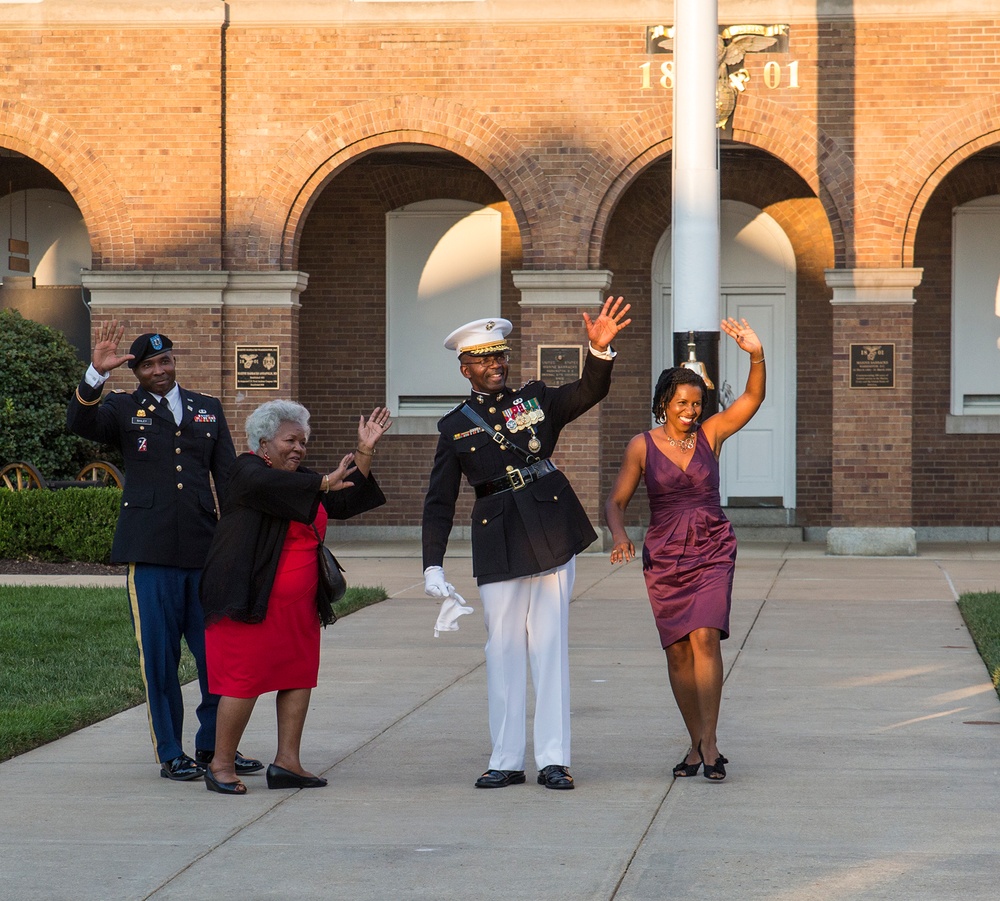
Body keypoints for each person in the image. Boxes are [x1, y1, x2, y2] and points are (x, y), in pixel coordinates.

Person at [422, 297, 632, 790]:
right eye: (484, 358)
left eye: (501, 355)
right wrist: (433, 566)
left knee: (550, 647)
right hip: (498, 537)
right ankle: (506, 759)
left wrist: (599, 351)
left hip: (551, 530)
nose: (496, 364)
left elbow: (586, 392)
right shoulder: (454, 427)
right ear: (464, 368)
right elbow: (439, 501)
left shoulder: (533, 401)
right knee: (504, 649)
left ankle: (554, 759)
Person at [66, 320, 261, 782]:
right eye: (150, 364)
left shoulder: (207, 409)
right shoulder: (120, 409)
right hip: (150, 553)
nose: (160, 369)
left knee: (217, 657)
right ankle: (171, 752)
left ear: (174, 361)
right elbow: (79, 423)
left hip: (203, 551)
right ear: (137, 371)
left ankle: (217, 749)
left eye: (165, 360)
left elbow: (230, 480)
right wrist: (94, 373)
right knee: (160, 661)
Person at [197, 399, 390, 794]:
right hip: (249, 599)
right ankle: (220, 764)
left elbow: (346, 500)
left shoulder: (301, 477)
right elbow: (272, 487)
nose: (299, 448)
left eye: (303, 441)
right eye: (290, 440)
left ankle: (287, 763)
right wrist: (321, 482)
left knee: (297, 677)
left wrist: (364, 450)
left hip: (298, 606)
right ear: (263, 443)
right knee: (243, 680)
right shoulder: (245, 470)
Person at [604, 318, 765, 783]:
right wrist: (619, 536)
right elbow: (615, 502)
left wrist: (756, 355)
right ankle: (694, 742)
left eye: (697, 404)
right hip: (665, 554)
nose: (691, 411)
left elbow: (752, 399)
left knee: (706, 639)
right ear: (663, 404)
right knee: (677, 652)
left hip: (712, 546)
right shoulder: (642, 446)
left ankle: (711, 744)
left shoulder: (711, 436)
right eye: (682, 404)